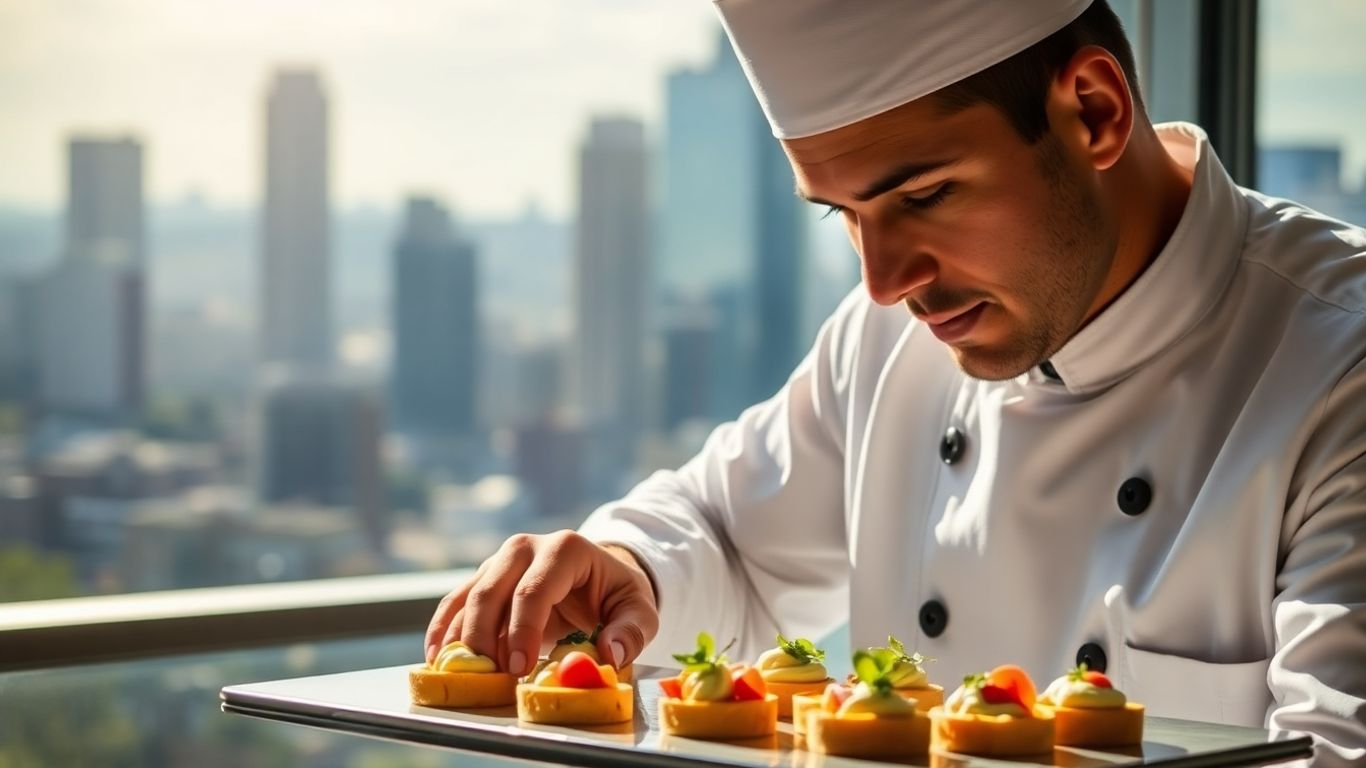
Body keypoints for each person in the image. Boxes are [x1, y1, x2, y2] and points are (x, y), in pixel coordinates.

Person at [426, 1, 1366, 763]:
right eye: (844, 213)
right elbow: (731, 539)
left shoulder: (1340, 367)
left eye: (924, 195)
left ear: (1093, 111)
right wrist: (629, 569)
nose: (883, 283)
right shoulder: (888, 337)